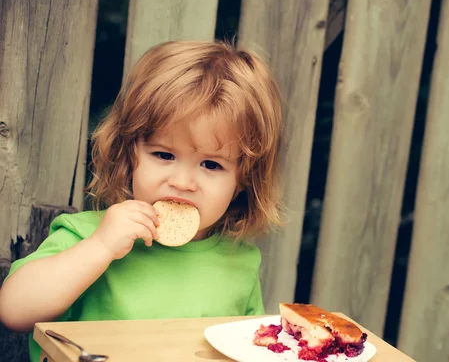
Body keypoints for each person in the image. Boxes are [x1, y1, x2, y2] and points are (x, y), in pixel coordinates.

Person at [0, 40, 285, 361]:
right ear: (130, 154)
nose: (182, 182)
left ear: (242, 181)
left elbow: (248, 350)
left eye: (211, 164)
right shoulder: (87, 235)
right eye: (164, 154)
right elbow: (13, 311)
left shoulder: (239, 261)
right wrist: (101, 248)